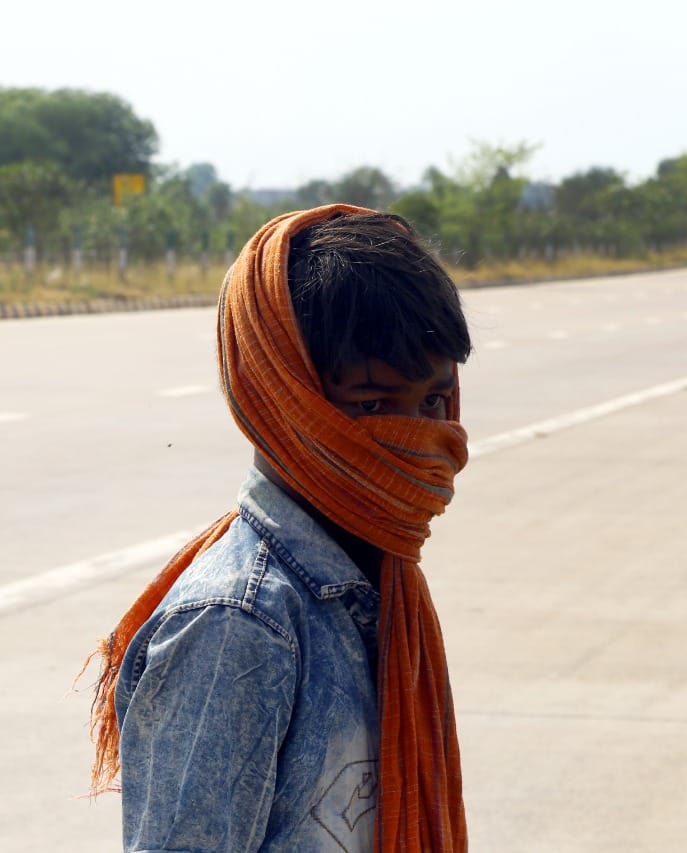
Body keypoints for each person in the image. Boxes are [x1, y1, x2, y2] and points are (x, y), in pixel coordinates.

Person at [85, 205, 472, 852]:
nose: (419, 434)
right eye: (372, 404)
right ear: (283, 398)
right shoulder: (238, 624)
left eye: (432, 401)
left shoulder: (382, 588)